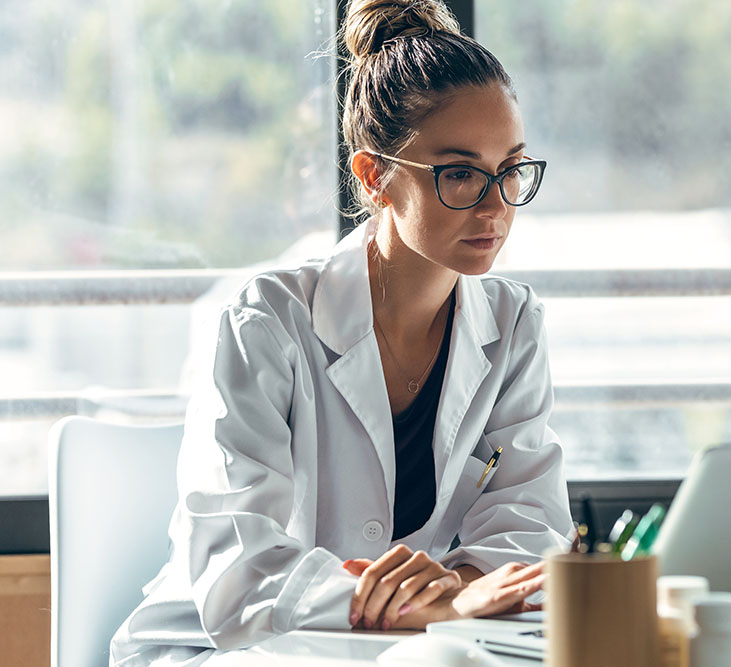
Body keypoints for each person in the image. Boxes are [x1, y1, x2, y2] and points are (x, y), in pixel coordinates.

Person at [109, 0, 574, 664]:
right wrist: (427, 605)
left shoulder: (513, 323)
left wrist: (461, 589)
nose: (497, 205)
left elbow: (530, 523)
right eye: (462, 174)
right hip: (224, 647)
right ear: (373, 175)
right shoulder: (265, 319)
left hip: (402, 643)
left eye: (511, 170)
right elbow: (238, 571)